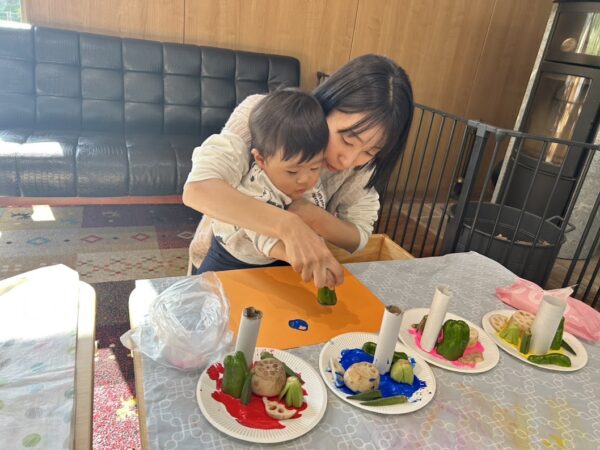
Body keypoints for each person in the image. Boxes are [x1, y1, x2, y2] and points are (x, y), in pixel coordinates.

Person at [183, 54, 414, 288]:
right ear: (327, 105)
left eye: (370, 151)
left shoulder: (361, 169)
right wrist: (288, 225)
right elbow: (198, 189)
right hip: (228, 255)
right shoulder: (265, 116)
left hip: (288, 269)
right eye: (347, 139)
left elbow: (358, 237)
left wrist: (313, 216)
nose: (348, 161)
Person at [195, 88, 329, 274]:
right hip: (232, 256)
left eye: (315, 167)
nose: (306, 179)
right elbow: (263, 239)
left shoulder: (307, 177)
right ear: (261, 160)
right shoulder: (257, 185)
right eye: (292, 171)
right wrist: (302, 256)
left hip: (276, 257)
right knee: (208, 288)